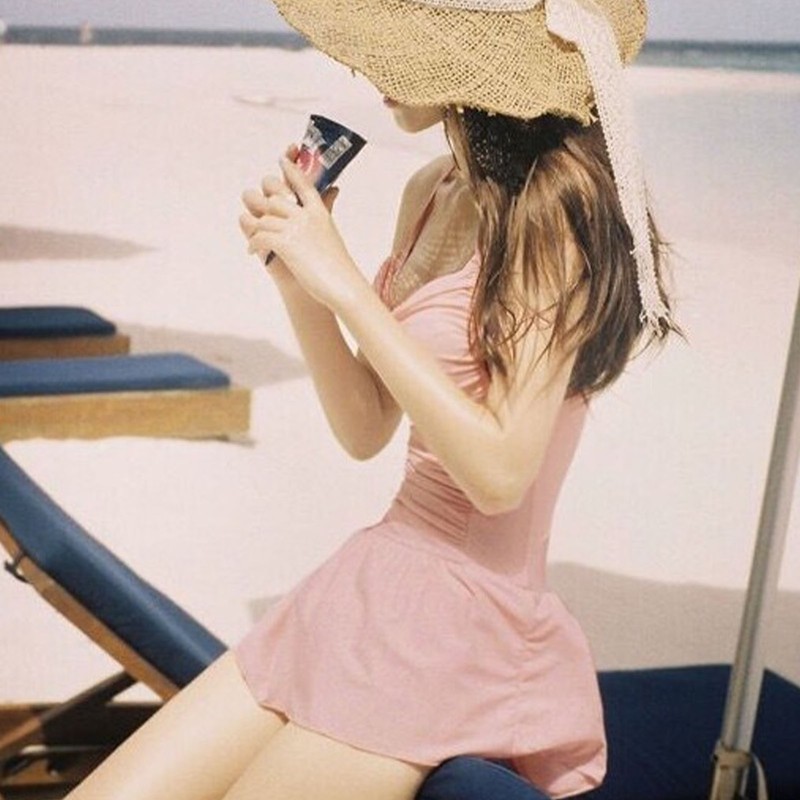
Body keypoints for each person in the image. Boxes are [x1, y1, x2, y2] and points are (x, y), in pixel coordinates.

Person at [64, 1, 675, 799]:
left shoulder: (553, 212)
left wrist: (346, 285)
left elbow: (501, 476)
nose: (370, 68)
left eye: (402, 49)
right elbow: (365, 426)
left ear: (466, 64)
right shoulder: (433, 189)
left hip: (461, 625)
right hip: (373, 579)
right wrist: (300, 281)